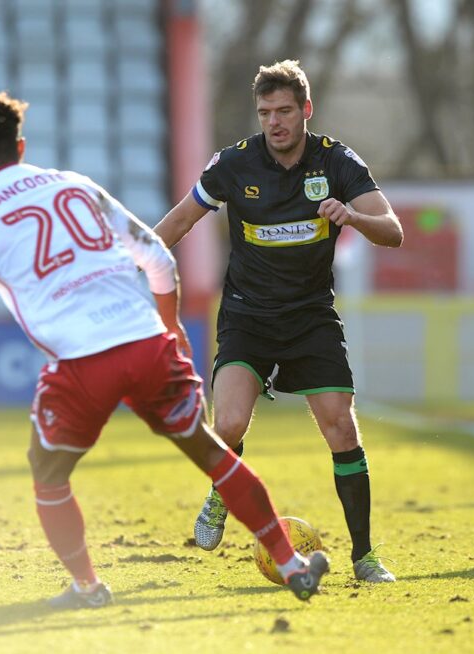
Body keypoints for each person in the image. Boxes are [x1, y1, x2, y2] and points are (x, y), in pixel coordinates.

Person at [0, 92, 329, 609]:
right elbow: (157, 259)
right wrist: (169, 332)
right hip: (146, 344)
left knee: (48, 471)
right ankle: (291, 565)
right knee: (212, 454)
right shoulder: (75, 185)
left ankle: (87, 587)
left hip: (83, 364)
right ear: (21, 145)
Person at [153, 60, 403, 582]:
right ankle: (221, 493)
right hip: (247, 314)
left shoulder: (336, 161)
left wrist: (352, 217)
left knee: (339, 423)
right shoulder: (234, 165)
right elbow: (179, 220)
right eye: (266, 112)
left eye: (285, 111)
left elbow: (393, 230)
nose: (275, 122)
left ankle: (365, 556)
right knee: (228, 424)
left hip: (310, 316)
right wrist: (134, 264)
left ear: (306, 110)